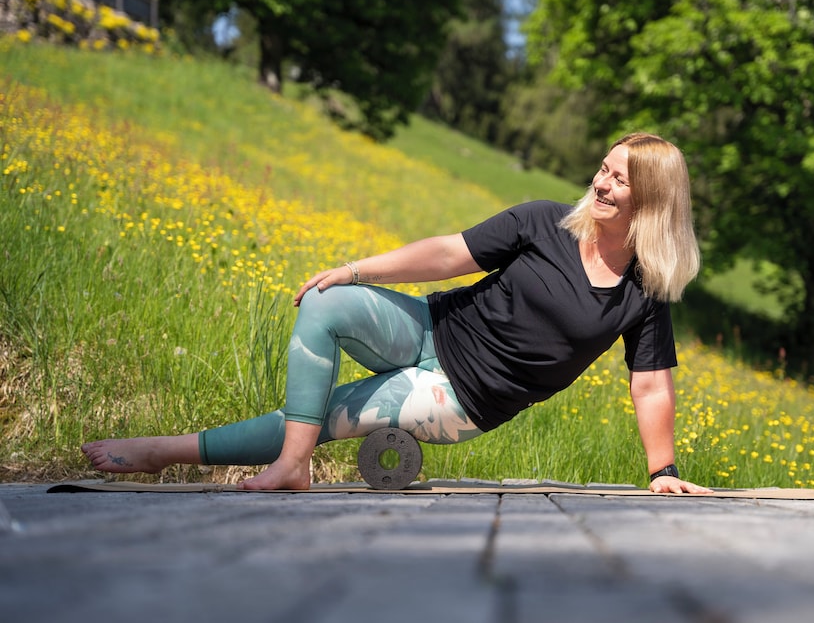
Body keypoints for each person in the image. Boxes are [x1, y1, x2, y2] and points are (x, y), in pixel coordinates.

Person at [82, 132, 711, 494]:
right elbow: (448, 254)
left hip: (461, 398)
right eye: (602, 169)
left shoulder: (644, 291)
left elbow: (651, 384)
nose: (600, 183)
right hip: (430, 326)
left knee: (324, 415)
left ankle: (167, 451)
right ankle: (293, 465)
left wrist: (663, 470)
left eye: (619, 180)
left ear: (651, 201)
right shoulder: (543, 221)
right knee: (325, 301)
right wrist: (357, 270)